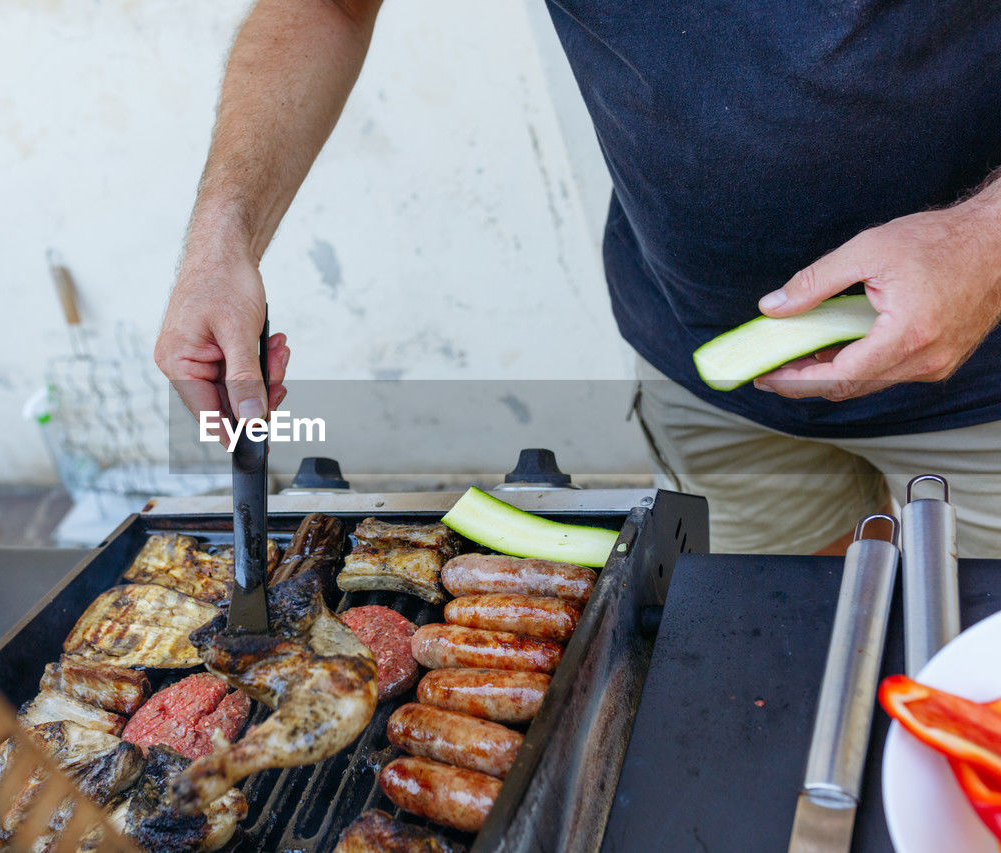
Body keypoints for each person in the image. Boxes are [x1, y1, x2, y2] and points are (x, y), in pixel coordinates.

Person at [154, 1, 1001, 556]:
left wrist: (981, 242)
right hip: (703, 362)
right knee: (774, 663)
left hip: (988, 366)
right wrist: (221, 237)